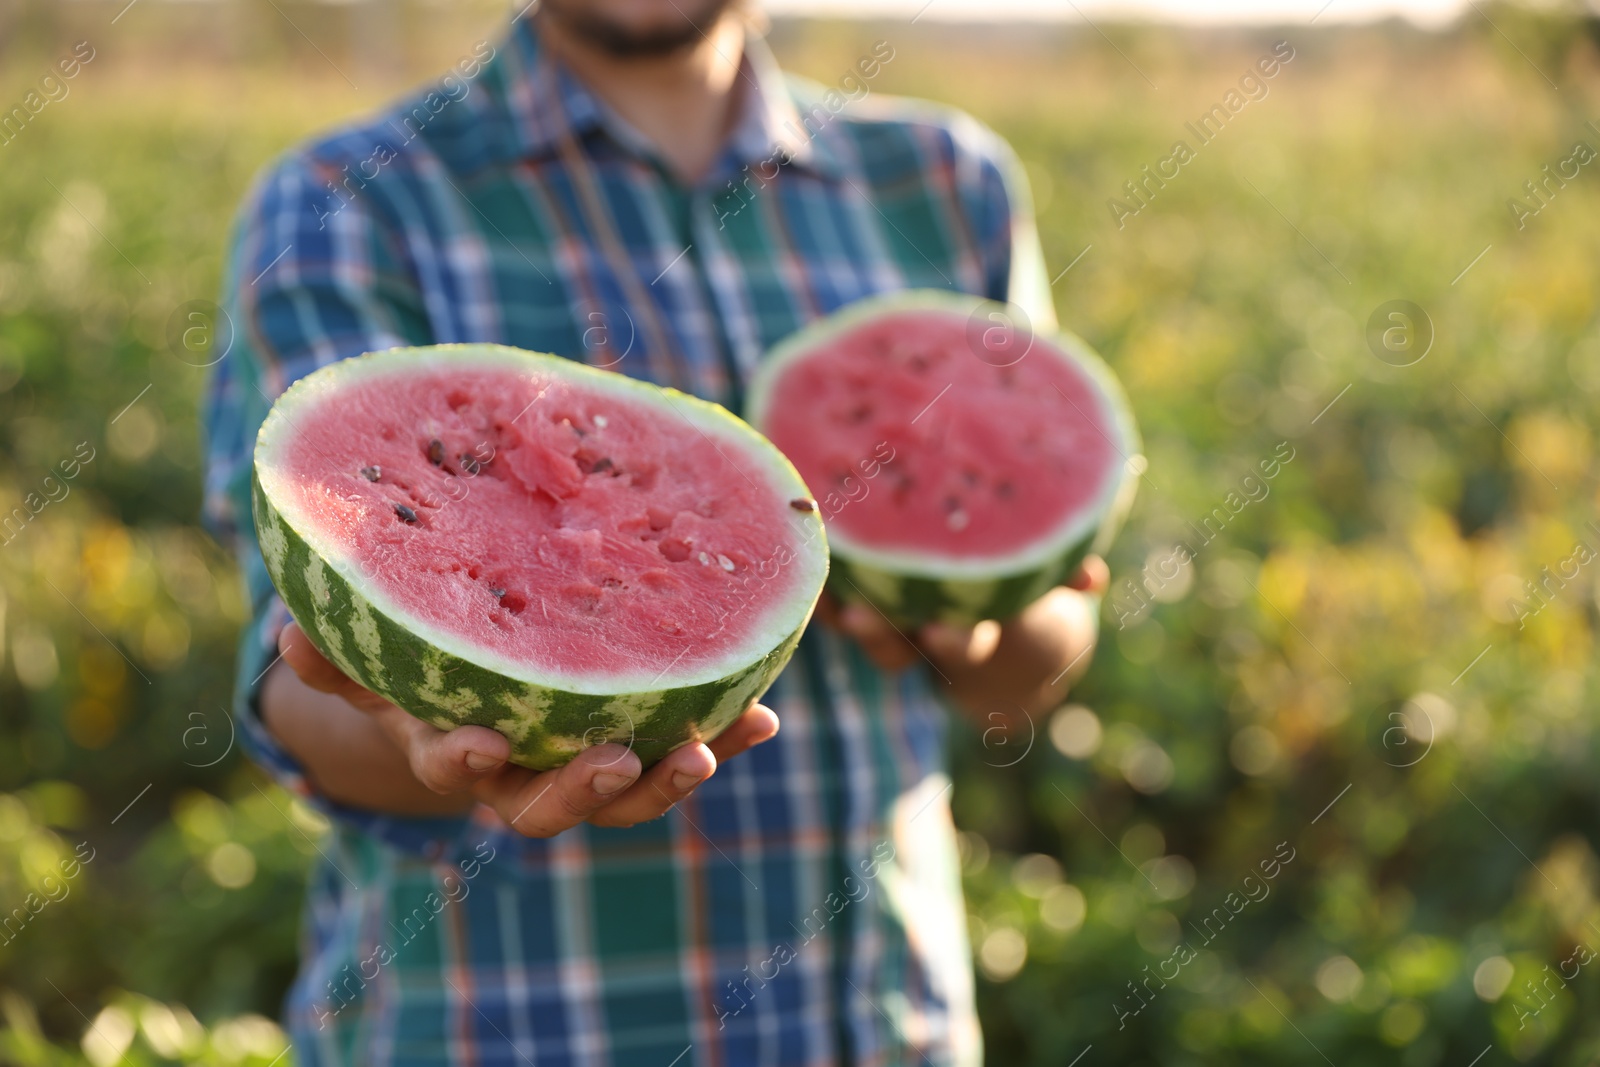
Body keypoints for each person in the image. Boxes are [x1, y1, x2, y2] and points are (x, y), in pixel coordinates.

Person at [203, 1, 1108, 1063]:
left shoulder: (946, 180)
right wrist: (424, 730)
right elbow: (301, 659)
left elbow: (1049, 609)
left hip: (874, 1020)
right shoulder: (346, 200)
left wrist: (992, 624)